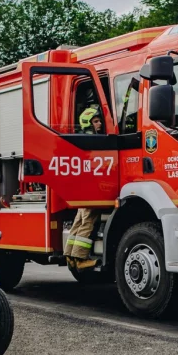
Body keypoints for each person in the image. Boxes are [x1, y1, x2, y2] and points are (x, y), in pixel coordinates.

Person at [63, 106, 104, 270]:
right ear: (88, 124)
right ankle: (80, 258)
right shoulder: (92, 142)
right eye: (95, 121)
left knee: (79, 220)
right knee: (88, 220)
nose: (99, 124)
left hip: (82, 189)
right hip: (90, 189)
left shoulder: (79, 141)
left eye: (99, 120)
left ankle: (70, 255)